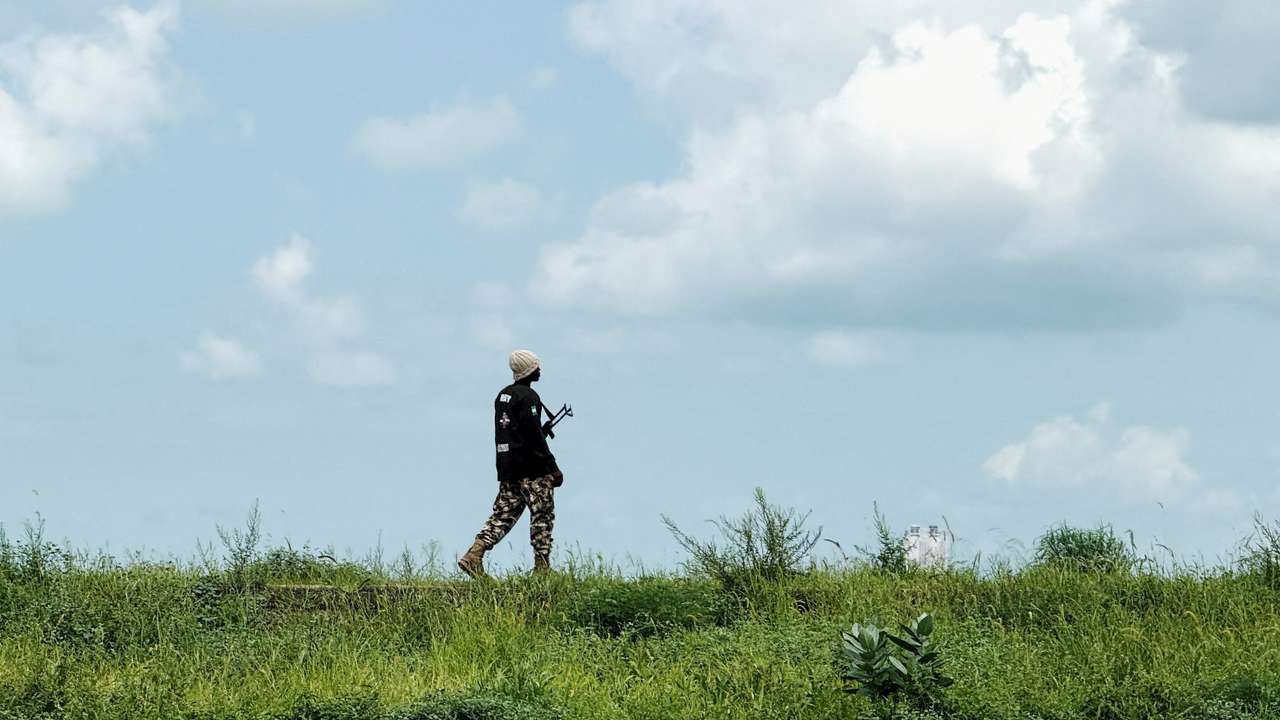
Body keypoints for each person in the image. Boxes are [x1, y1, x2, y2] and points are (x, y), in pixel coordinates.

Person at [458, 349, 564, 577]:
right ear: (529, 369)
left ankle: (474, 555)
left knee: (503, 514)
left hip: (509, 469)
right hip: (533, 470)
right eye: (536, 366)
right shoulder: (529, 398)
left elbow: (515, 432)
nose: (540, 370)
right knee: (542, 515)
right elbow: (534, 436)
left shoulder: (503, 396)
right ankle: (542, 568)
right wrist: (552, 467)